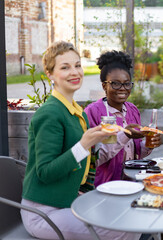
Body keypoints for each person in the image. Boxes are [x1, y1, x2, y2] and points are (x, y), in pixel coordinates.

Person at [21, 41, 140, 240]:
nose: (75, 72)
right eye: (65, 67)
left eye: (77, 65)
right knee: (123, 228)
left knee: (129, 216)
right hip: (44, 212)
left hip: (70, 200)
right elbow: (45, 173)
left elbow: (86, 163)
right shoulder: (50, 113)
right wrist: (84, 145)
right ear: (50, 74)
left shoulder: (77, 112)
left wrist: (103, 142)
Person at [85, 50, 161, 187]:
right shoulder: (93, 112)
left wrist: (148, 145)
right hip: (103, 186)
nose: (122, 89)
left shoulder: (132, 110)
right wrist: (125, 134)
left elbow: (136, 154)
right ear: (104, 86)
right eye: (115, 83)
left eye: (127, 83)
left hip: (130, 184)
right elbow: (93, 159)